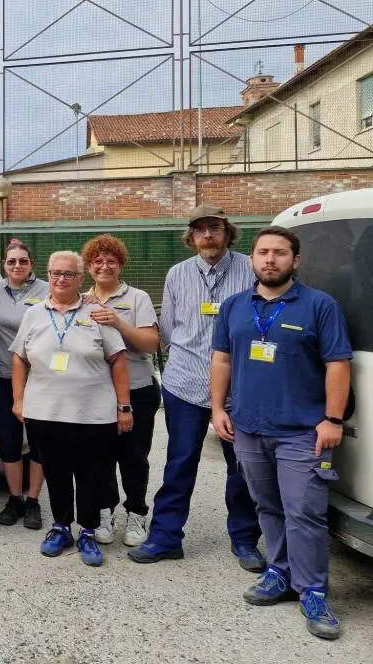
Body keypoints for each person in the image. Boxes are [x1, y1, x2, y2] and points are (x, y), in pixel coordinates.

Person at [211, 225, 352, 641]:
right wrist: (218, 408)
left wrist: (333, 419)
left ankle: (313, 591)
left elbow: (338, 365)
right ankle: (279, 572)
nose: (270, 260)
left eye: (280, 253)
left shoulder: (320, 306)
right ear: (251, 259)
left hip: (300, 432)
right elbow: (221, 360)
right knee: (267, 506)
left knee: (304, 512)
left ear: (296, 260)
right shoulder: (235, 306)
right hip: (248, 429)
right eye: (263, 253)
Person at [129, 205, 265, 570]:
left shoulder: (250, 270)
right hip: (185, 384)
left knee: (241, 467)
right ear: (190, 237)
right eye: (200, 229)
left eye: (215, 228)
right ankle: (166, 536)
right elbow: (170, 329)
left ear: (227, 232)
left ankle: (245, 540)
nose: (208, 235)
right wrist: (191, 358)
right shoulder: (178, 274)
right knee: (180, 461)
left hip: (239, 389)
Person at [10, 250, 132, 567]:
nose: (61, 279)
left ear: (80, 278)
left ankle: (88, 531)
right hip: (45, 413)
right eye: (56, 273)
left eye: (69, 274)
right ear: (48, 276)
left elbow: (118, 360)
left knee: (92, 475)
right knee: (57, 473)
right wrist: (19, 399)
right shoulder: (34, 314)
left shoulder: (96, 312)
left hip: (93, 414)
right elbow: (19, 358)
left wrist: (124, 406)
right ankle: (61, 527)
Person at [81, 234, 160, 548]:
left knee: (133, 457)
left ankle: (137, 512)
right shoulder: (82, 299)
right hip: (97, 393)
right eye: (97, 261)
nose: (104, 266)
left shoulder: (136, 297)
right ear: (88, 266)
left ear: (120, 264)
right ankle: (105, 512)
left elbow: (152, 344)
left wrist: (117, 322)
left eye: (110, 260)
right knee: (100, 457)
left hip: (137, 390)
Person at [0, 241, 49, 529]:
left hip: (40, 380)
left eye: (22, 261)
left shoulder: (47, 290)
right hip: (3, 377)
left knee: (39, 442)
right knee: (9, 442)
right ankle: (14, 498)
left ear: (31, 263)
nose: (17, 266)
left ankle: (34, 500)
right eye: (11, 262)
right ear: (4, 264)